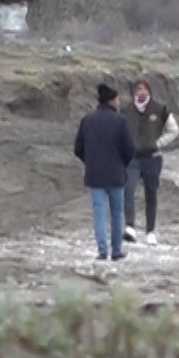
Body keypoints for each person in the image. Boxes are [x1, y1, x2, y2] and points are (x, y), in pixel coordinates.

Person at [74, 82, 137, 261]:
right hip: (116, 174)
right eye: (117, 99)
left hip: (94, 175)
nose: (119, 102)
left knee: (99, 214)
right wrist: (122, 163)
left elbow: (78, 148)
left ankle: (102, 250)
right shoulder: (121, 121)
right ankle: (116, 250)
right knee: (117, 214)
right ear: (112, 100)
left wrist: (90, 162)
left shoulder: (87, 120)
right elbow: (130, 149)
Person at [121, 78, 179, 246]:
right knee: (128, 190)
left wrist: (158, 144)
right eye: (138, 89)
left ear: (149, 91)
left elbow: (174, 130)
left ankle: (150, 231)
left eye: (144, 89)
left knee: (151, 194)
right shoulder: (126, 110)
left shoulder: (159, 109)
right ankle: (130, 227)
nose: (141, 92)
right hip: (132, 158)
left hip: (152, 158)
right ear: (134, 92)